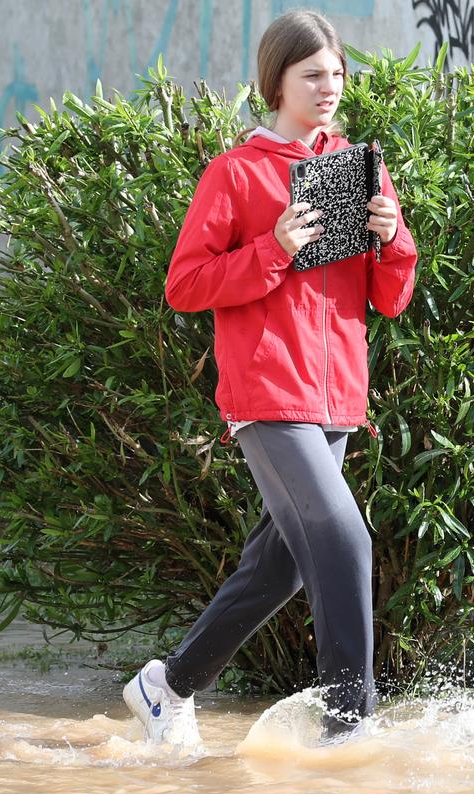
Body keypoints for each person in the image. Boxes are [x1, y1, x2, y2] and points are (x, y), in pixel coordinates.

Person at [123, 9, 419, 747]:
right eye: (312, 75)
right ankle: (350, 725)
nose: (330, 88)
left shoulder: (355, 167)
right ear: (276, 81)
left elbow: (390, 298)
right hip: (268, 397)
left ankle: (168, 686)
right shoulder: (236, 173)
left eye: (337, 74)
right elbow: (185, 284)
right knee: (346, 540)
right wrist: (273, 247)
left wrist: (391, 240)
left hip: (337, 400)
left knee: (278, 569)